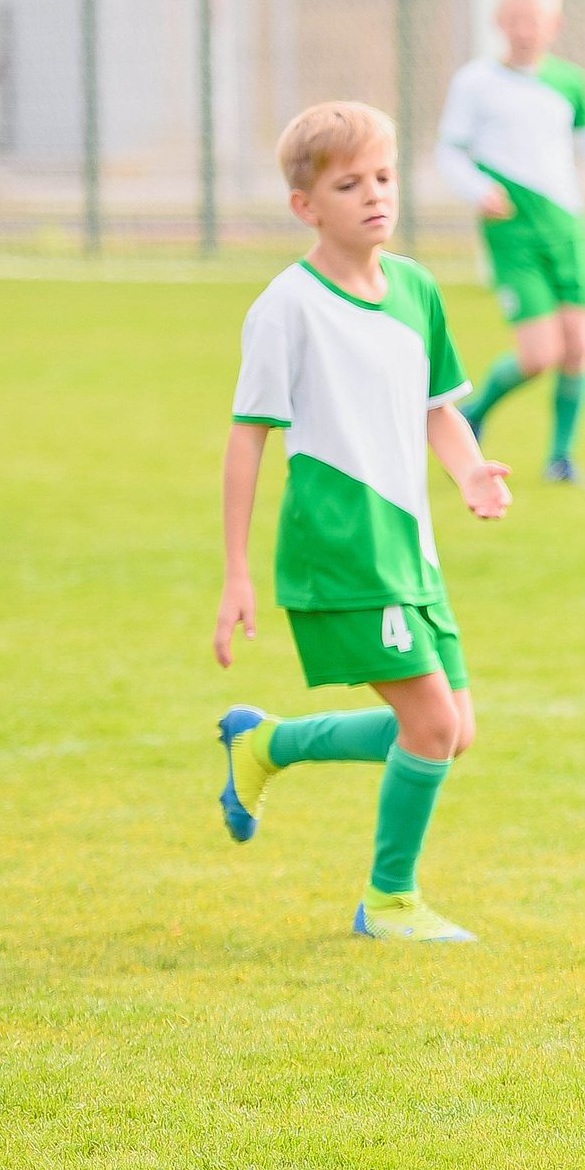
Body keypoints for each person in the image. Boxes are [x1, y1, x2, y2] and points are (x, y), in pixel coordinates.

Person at [212, 101, 513, 944]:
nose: (374, 196)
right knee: (431, 725)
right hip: (343, 546)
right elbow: (247, 441)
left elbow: (439, 409)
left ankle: (265, 744)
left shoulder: (416, 287)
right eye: (349, 185)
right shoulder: (287, 307)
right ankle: (388, 901)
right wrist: (237, 570)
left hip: (409, 545)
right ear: (306, 205)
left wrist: (471, 471)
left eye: (383, 177)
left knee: (454, 732)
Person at [436, 0, 585, 484]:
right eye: (515, 20)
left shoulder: (569, 81)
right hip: (513, 230)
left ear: (554, 24)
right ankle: (475, 414)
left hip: (567, 227)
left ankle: (561, 458)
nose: (524, 30)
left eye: (534, 21)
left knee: (580, 346)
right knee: (540, 355)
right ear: (500, 22)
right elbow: (448, 151)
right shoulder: (475, 83)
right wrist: (478, 190)